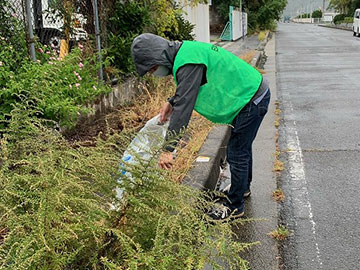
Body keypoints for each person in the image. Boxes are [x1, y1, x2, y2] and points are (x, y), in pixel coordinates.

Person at [131, 33, 270, 221]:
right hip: (251, 94)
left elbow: (184, 108)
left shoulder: (187, 62)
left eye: (152, 68)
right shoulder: (186, 53)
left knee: (237, 151)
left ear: (158, 56)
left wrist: (168, 148)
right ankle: (242, 188)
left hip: (251, 99)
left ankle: (235, 206)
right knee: (241, 148)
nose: (154, 73)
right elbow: (189, 90)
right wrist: (171, 102)